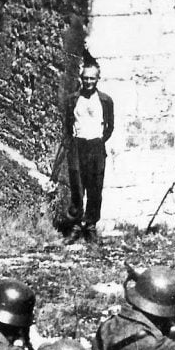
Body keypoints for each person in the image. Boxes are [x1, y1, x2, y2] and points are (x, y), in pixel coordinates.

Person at [62, 62, 114, 244]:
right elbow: (68, 127)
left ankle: (90, 226)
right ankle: (75, 227)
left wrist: (98, 142)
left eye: (92, 78)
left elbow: (110, 127)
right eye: (85, 78)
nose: (88, 81)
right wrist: (75, 143)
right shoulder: (72, 100)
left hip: (96, 147)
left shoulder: (106, 101)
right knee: (77, 187)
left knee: (95, 189)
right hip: (78, 146)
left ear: (98, 79)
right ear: (80, 79)